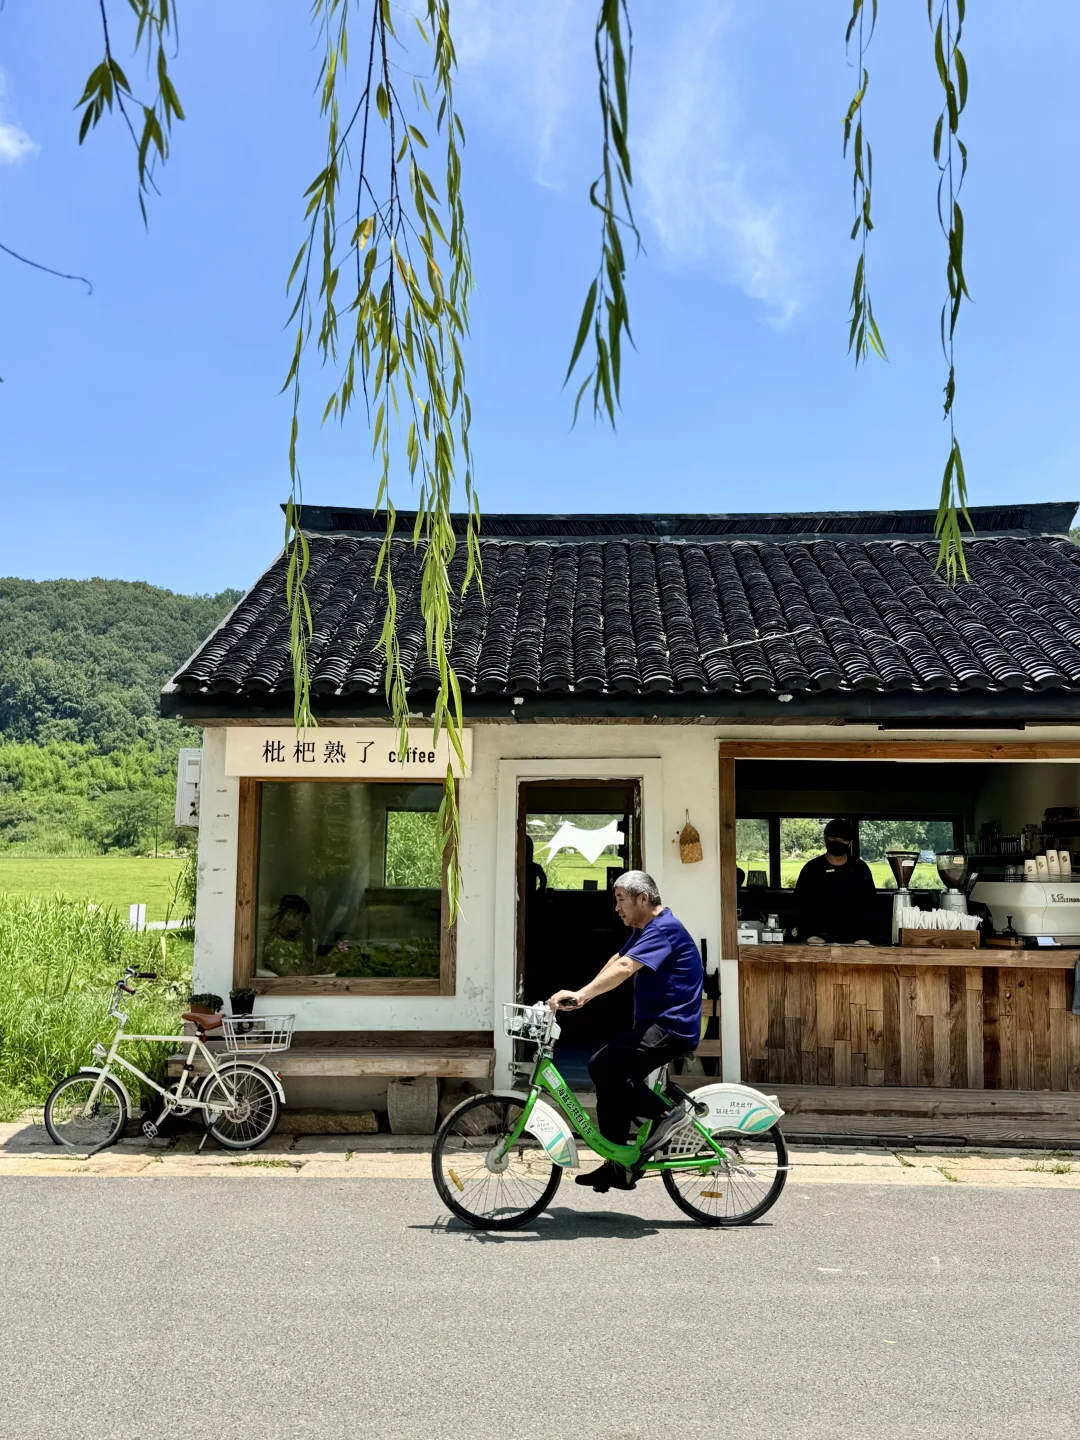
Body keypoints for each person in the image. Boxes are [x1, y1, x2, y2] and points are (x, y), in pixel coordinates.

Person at [547, 870, 703, 1193]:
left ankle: (668, 1116)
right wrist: (582, 994)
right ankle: (617, 1166)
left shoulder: (663, 929)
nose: (617, 908)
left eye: (620, 900)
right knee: (610, 1078)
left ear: (642, 899)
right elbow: (618, 957)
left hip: (671, 1027)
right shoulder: (646, 928)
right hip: (656, 1025)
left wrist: (582, 995)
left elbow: (624, 968)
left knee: (602, 1065)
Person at [792, 818, 877, 946]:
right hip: (817, 938)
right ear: (825, 838)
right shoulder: (812, 868)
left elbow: (870, 903)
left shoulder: (860, 868)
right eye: (833, 838)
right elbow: (800, 903)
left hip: (855, 939)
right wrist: (807, 932)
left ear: (850, 843)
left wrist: (865, 934)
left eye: (843, 840)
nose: (838, 842)